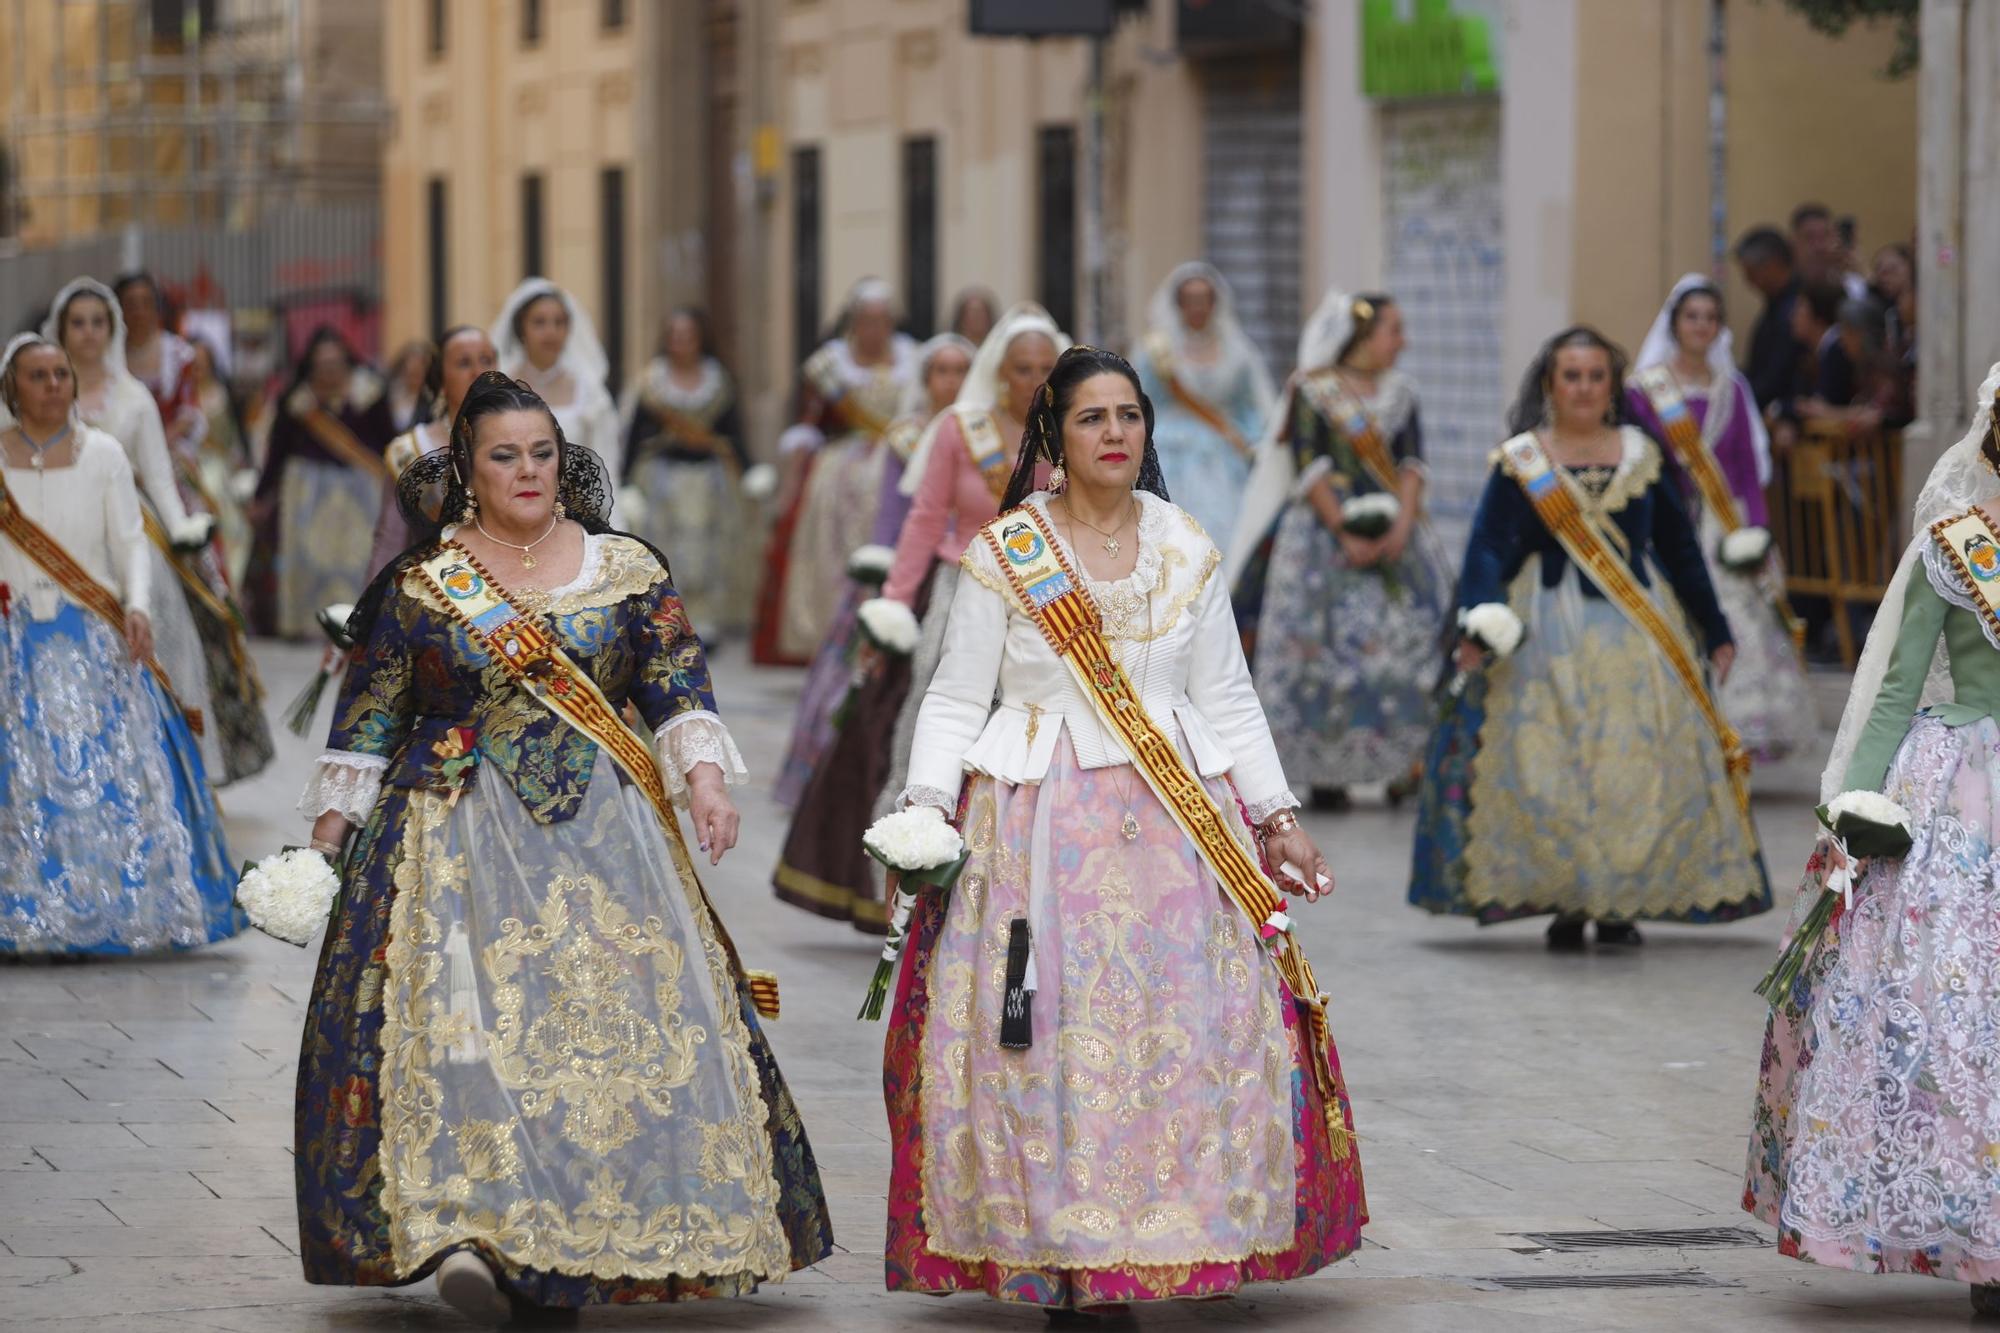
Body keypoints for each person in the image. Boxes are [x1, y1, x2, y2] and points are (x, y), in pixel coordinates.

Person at [294, 371, 832, 1323]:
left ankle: (591, 1222)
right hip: (451, 833)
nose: (528, 470)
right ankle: (474, 1228)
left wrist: (703, 780)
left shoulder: (623, 567)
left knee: (598, 1038)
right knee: (468, 1033)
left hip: (603, 833)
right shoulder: (422, 583)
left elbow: (675, 681)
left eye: (542, 452)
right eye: (505, 455)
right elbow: (371, 714)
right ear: (466, 467)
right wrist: (320, 848)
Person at [884, 346, 1363, 1309]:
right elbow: (953, 697)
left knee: (1186, 1028)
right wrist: (926, 810)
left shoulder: (1185, 544)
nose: (1114, 433)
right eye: (1092, 417)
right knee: (1051, 1033)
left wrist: (1276, 817)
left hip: (1181, 833)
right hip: (1037, 829)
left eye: (1129, 416)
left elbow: (1226, 695)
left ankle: (1183, 1229)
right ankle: (1063, 1245)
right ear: (1054, 434)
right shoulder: (1008, 552)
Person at [1746, 366, 2000, 1316]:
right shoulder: (1954, 545)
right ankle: (1980, 1241)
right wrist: (1853, 805)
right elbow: (1896, 690)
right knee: (1953, 1010)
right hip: (1968, 795)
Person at [1408, 327, 1770, 947]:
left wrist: (1714, 626)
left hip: (1639, 635)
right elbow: (1487, 548)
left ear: (1612, 385)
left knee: (1635, 765)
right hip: (1547, 633)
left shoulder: (1642, 452)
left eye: (1595, 376)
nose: (1582, 387)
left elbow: (1680, 549)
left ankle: (1619, 900)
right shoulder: (1522, 458)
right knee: (1551, 763)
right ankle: (1568, 899)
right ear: (1550, 383)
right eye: (1570, 375)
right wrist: (1482, 613)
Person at [772, 307, 1062, 925]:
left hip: (1044, 599)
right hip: (963, 590)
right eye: (1021, 368)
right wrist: (893, 608)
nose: (1033, 381)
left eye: (1045, 369)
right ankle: (910, 877)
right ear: (998, 370)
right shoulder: (962, 430)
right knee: (935, 727)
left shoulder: (1068, 434)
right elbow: (924, 521)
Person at [0, 334, 237, 956]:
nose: (54, 383)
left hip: (92, 634)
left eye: (60, 374)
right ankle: (26, 912)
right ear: (12, 388)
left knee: (108, 781)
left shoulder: (103, 453)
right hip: (13, 638)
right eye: (38, 375)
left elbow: (130, 538)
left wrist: (135, 603)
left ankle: (117, 909)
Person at [1231, 288, 1453, 809]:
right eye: (1393, 330)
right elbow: (1310, 466)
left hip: (1397, 535)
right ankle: (1324, 772)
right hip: (1321, 542)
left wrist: (1401, 526)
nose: (1403, 341)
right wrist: (1345, 532)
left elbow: (1413, 464)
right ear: (1362, 337)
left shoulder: (1403, 392)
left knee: (1410, 647)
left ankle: (1405, 763)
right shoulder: (1315, 391)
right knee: (1320, 655)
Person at [45, 278, 272, 787]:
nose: (87, 333)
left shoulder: (134, 399)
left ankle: (162, 770)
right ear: (60, 330)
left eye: (97, 322)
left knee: (156, 648)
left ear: (113, 329)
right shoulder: (41, 390)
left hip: (131, 531)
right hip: (57, 536)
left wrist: (183, 531)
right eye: (77, 323)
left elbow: (162, 479)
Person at [770, 329, 977, 808]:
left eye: (961, 370)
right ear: (926, 379)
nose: (951, 381)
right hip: (915, 570)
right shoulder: (906, 437)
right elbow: (892, 514)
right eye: (941, 371)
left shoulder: (986, 432)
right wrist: (886, 586)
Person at [1625, 275, 1815, 763]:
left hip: (1721, 526)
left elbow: (1748, 471)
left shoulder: (1732, 389)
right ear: (1675, 323)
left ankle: (1732, 729)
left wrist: (1756, 531)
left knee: (1734, 619)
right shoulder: (1646, 392)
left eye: (1710, 318)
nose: (1701, 326)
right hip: (1665, 525)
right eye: (1692, 317)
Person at [752, 278, 919, 665]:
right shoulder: (830, 365)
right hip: (839, 470)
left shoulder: (913, 360)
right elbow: (808, 426)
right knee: (829, 551)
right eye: (866, 320)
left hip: (896, 465)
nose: (874, 329)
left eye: (881, 321)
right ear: (853, 322)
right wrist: (790, 486)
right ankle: (831, 636)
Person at [248, 327, 397, 638]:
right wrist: (261, 494)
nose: (330, 372)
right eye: (323, 366)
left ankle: (358, 622)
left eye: (336, 364)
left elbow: (389, 440)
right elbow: (277, 451)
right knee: (308, 560)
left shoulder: (368, 392)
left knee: (357, 557)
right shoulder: (297, 400)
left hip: (360, 489)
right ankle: (309, 624)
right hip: (306, 490)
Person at [620, 308, 749, 642]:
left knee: (709, 549)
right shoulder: (652, 381)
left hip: (709, 478)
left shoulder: (717, 379)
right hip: (663, 477)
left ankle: (706, 619)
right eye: (675, 336)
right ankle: (666, 615)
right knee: (667, 547)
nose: (681, 343)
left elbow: (734, 430)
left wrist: (749, 468)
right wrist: (625, 481)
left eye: (687, 335)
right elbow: (636, 433)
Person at [1132, 261, 1274, 551]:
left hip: (1221, 454)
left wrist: (1251, 440)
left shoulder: (1237, 351)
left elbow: (1252, 405)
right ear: (1179, 303)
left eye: (1203, 299)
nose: (1197, 307)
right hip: (1169, 450)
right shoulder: (1157, 350)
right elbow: (1136, 401)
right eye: (1190, 300)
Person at [366, 326, 498, 579]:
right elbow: (390, 539)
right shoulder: (411, 450)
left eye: (486, 360)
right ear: (441, 380)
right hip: (442, 587)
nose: (478, 372)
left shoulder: (523, 439)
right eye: (463, 363)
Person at [490, 278, 622, 479]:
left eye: (559, 323)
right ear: (521, 329)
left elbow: (606, 465)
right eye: (539, 322)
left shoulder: (588, 391)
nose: (551, 332)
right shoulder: (497, 387)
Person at [190, 337, 256, 589]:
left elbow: (234, 441)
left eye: (202, 363)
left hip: (218, 467)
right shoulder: (179, 395)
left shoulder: (221, 395)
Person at [1733, 227, 1804, 425]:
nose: (1748, 281)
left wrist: (1740, 401)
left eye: (1751, 272)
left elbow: (1782, 371)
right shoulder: (1774, 306)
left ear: (1772, 265)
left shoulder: (1797, 307)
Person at [384, 339, 435, 434]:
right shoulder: (389, 395)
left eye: (418, 373)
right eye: (410, 373)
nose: (414, 367)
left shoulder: (432, 401)